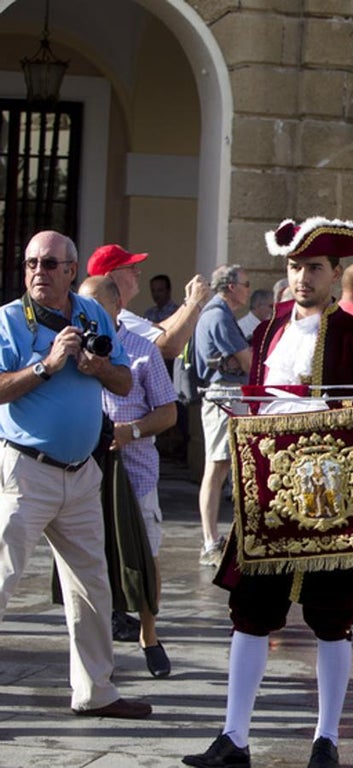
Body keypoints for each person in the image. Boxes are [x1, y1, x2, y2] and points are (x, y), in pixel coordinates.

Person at [183, 217, 353, 768]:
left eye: (314, 268)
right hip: (271, 497)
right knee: (250, 611)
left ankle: (326, 738)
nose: (302, 277)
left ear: (333, 274)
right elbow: (260, 401)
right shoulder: (267, 330)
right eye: (295, 267)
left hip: (333, 498)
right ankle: (234, 737)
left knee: (332, 616)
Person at [0, 230, 150, 719]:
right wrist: (47, 365)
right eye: (31, 264)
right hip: (27, 470)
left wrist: (97, 367)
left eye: (49, 264)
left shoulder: (91, 314)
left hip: (82, 473)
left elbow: (126, 379)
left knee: (92, 586)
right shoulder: (8, 320)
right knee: (2, 577)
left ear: (71, 270)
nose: (38, 272)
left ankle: (96, 691)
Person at [78, 275, 178, 678]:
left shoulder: (141, 351)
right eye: (82, 308)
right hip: (84, 474)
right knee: (90, 562)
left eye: (96, 308)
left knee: (144, 557)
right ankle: (98, 650)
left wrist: (130, 431)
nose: (88, 317)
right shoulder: (71, 350)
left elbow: (168, 411)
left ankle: (149, 636)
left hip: (135, 472)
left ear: (117, 306)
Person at [193, 265, 252, 567]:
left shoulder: (220, 314)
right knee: (216, 469)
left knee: (224, 469)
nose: (248, 289)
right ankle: (209, 541)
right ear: (230, 287)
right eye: (245, 284)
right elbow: (248, 360)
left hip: (228, 394)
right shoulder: (218, 316)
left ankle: (218, 539)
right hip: (224, 395)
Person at [86, 244, 210, 361]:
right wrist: (194, 303)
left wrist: (188, 302)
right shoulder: (117, 318)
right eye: (131, 267)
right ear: (111, 277)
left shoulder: (120, 315)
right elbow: (169, 346)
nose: (138, 272)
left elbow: (160, 328)